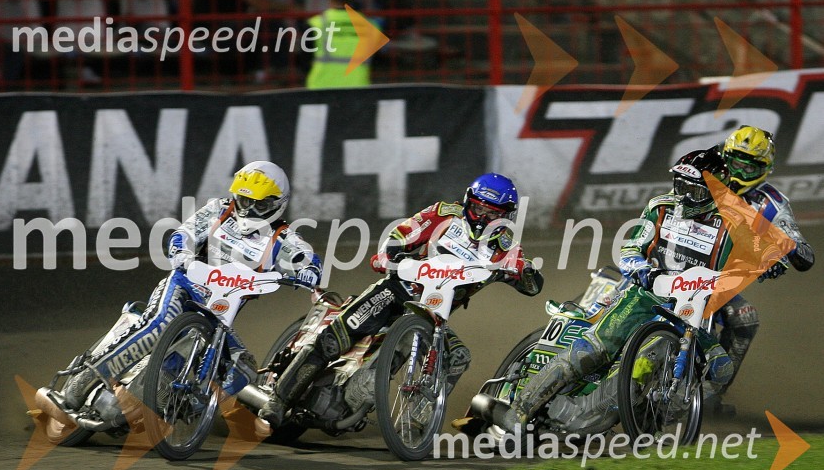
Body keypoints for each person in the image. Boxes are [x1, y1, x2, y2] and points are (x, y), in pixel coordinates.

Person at [259, 173, 545, 427]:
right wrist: (389, 255)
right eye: (479, 207)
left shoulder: (505, 244)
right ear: (469, 201)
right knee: (334, 339)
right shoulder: (444, 214)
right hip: (398, 290)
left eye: (492, 213)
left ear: (507, 215)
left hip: (434, 316)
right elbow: (401, 234)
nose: (483, 217)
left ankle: (419, 421)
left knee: (458, 357)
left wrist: (525, 274)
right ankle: (279, 400)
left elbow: (529, 280)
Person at [497, 150, 738, 433]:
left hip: (688, 314)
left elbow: (762, 251)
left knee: (722, 368)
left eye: (692, 189)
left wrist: (774, 261)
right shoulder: (660, 207)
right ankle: (521, 410)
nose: (683, 195)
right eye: (680, 185)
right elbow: (630, 248)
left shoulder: (733, 223)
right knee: (592, 350)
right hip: (643, 296)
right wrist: (640, 268)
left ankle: (658, 415)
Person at [62, 161, 322, 409]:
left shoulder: (282, 237)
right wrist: (181, 254)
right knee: (159, 323)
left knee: (243, 368)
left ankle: (182, 408)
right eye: (244, 201)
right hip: (184, 286)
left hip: (219, 316)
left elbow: (307, 259)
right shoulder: (219, 210)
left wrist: (309, 272)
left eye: (260, 205)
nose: (249, 210)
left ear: (278, 204)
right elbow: (182, 234)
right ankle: (87, 378)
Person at [710, 125, 815, 411]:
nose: (740, 173)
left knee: (745, 318)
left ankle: (711, 393)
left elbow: (804, 253)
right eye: (736, 163)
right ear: (725, 157)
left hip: (713, 282)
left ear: (764, 168)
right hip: (668, 261)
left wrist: (779, 251)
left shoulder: (770, 203)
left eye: (750, 166)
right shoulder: (702, 176)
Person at [305, 0, 375, 89]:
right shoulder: (370, 25)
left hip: (320, 88)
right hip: (358, 89)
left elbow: (305, 60)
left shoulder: (315, 24)